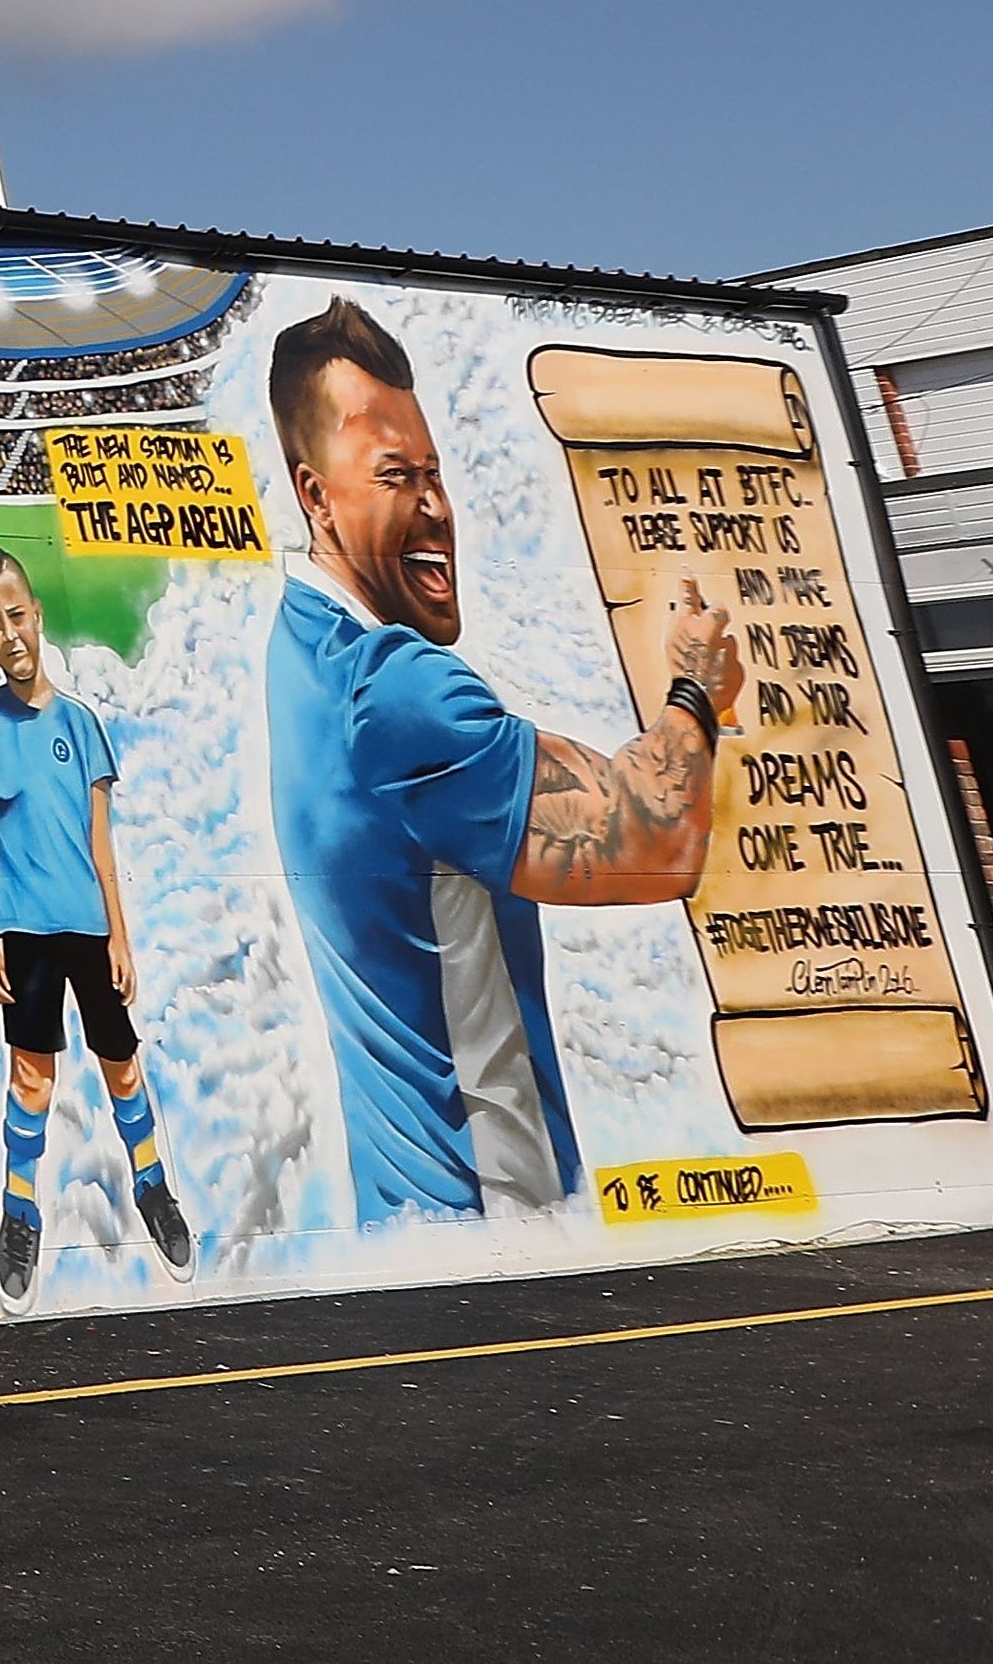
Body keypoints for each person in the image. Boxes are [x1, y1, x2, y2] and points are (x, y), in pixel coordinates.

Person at [263, 300, 740, 1227]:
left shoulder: (299, 643)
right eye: (396, 477)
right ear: (316, 496)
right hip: (496, 1216)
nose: (435, 506)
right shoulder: (397, 695)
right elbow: (653, 842)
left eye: (434, 472)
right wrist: (694, 692)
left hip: (407, 1218)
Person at [0, 546, 192, 1304]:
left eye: (17, 614)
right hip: (23, 931)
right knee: (32, 1075)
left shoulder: (81, 724)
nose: (9, 632)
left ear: (37, 613)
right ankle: (19, 1217)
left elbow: (100, 839)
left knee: (122, 1063)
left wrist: (119, 932)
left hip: (88, 928)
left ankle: (154, 1187)